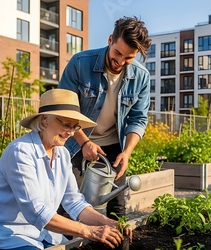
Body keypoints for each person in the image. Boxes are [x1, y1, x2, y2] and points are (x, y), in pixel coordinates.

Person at [0, 89, 131, 250]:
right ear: (44, 120)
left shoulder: (62, 154)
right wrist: (88, 231)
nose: (71, 132)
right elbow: (36, 212)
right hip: (7, 234)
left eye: (75, 127)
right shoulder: (21, 152)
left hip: (44, 234)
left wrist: (106, 222)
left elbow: (74, 202)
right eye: (67, 124)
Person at [58, 16, 152, 219]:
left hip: (113, 146)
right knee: (67, 203)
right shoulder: (80, 63)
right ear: (110, 40)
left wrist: (126, 152)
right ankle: (63, 249)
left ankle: (113, 246)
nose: (120, 61)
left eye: (128, 58)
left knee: (116, 209)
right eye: (117, 53)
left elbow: (138, 119)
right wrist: (85, 143)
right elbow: (65, 110)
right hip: (75, 142)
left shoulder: (141, 77)